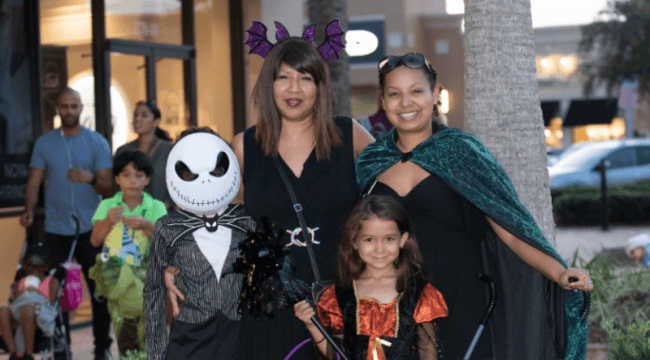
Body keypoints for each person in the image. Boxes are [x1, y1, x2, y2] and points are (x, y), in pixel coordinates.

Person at [356, 53, 593, 360]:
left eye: (416, 91)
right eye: (394, 94)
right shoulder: (370, 161)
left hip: (459, 296)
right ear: (383, 100)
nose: (406, 103)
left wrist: (559, 273)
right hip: (390, 299)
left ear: (435, 94)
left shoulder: (464, 152)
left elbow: (510, 227)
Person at [225, 31, 374, 359]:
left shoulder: (350, 136)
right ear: (269, 85)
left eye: (305, 78)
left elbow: (388, 201)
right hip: (270, 300)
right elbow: (223, 226)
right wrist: (178, 261)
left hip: (340, 295)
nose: (294, 89)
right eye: (283, 77)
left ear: (320, 86)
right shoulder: (243, 147)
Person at [144, 127, 256, 360]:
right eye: (189, 171)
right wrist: (156, 355)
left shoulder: (247, 220)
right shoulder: (168, 227)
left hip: (239, 339)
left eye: (214, 168)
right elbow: (153, 294)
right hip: (187, 341)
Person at [19, 88, 113, 360]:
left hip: (92, 231)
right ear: (57, 108)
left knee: (98, 294)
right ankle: (62, 347)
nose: (69, 111)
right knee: (56, 292)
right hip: (56, 230)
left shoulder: (97, 142)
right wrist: (28, 210)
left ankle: (102, 347)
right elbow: (33, 182)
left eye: (74, 106)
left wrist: (90, 179)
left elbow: (108, 189)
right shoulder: (44, 143)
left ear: (81, 108)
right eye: (64, 106)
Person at [294, 195, 447, 360]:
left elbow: (428, 350)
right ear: (354, 242)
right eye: (369, 240)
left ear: (402, 240)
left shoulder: (420, 293)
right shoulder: (339, 295)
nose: (379, 249)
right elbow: (335, 355)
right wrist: (311, 324)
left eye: (389, 239)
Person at [88, 150, 167, 356]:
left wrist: (146, 225)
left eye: (139, 175)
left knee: (151, 336)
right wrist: (107, 221)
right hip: (119, 286)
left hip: (150, 283)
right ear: (117, 178)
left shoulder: (156, 206)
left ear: (147, 179)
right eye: (126, 175)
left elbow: (166, 244)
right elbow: (95, 240)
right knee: (127, 337)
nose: (132, 181)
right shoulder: (107, 205)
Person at [0, 244, 59, 360]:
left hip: (40, 320)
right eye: (31, 266)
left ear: (46, 267)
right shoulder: (19, 283)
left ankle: (28, 354)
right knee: (3, 310)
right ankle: (14, 354)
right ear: (24, 266)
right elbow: (15, 305)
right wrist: (25, 293)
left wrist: (37, 293)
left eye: (39, 266)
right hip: (20, 318)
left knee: (28, 309)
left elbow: (50, 307)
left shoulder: (52, 282)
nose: (35, 270)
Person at [114, 101, 174, 211]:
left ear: (156, 121)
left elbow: (180, 183)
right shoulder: (123, 151)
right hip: (130, 216)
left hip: (163, 216)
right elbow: (116, 187)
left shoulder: (170, 150)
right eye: (136, 115)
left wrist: (168, 204)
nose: (137, 119)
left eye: (144, 115)